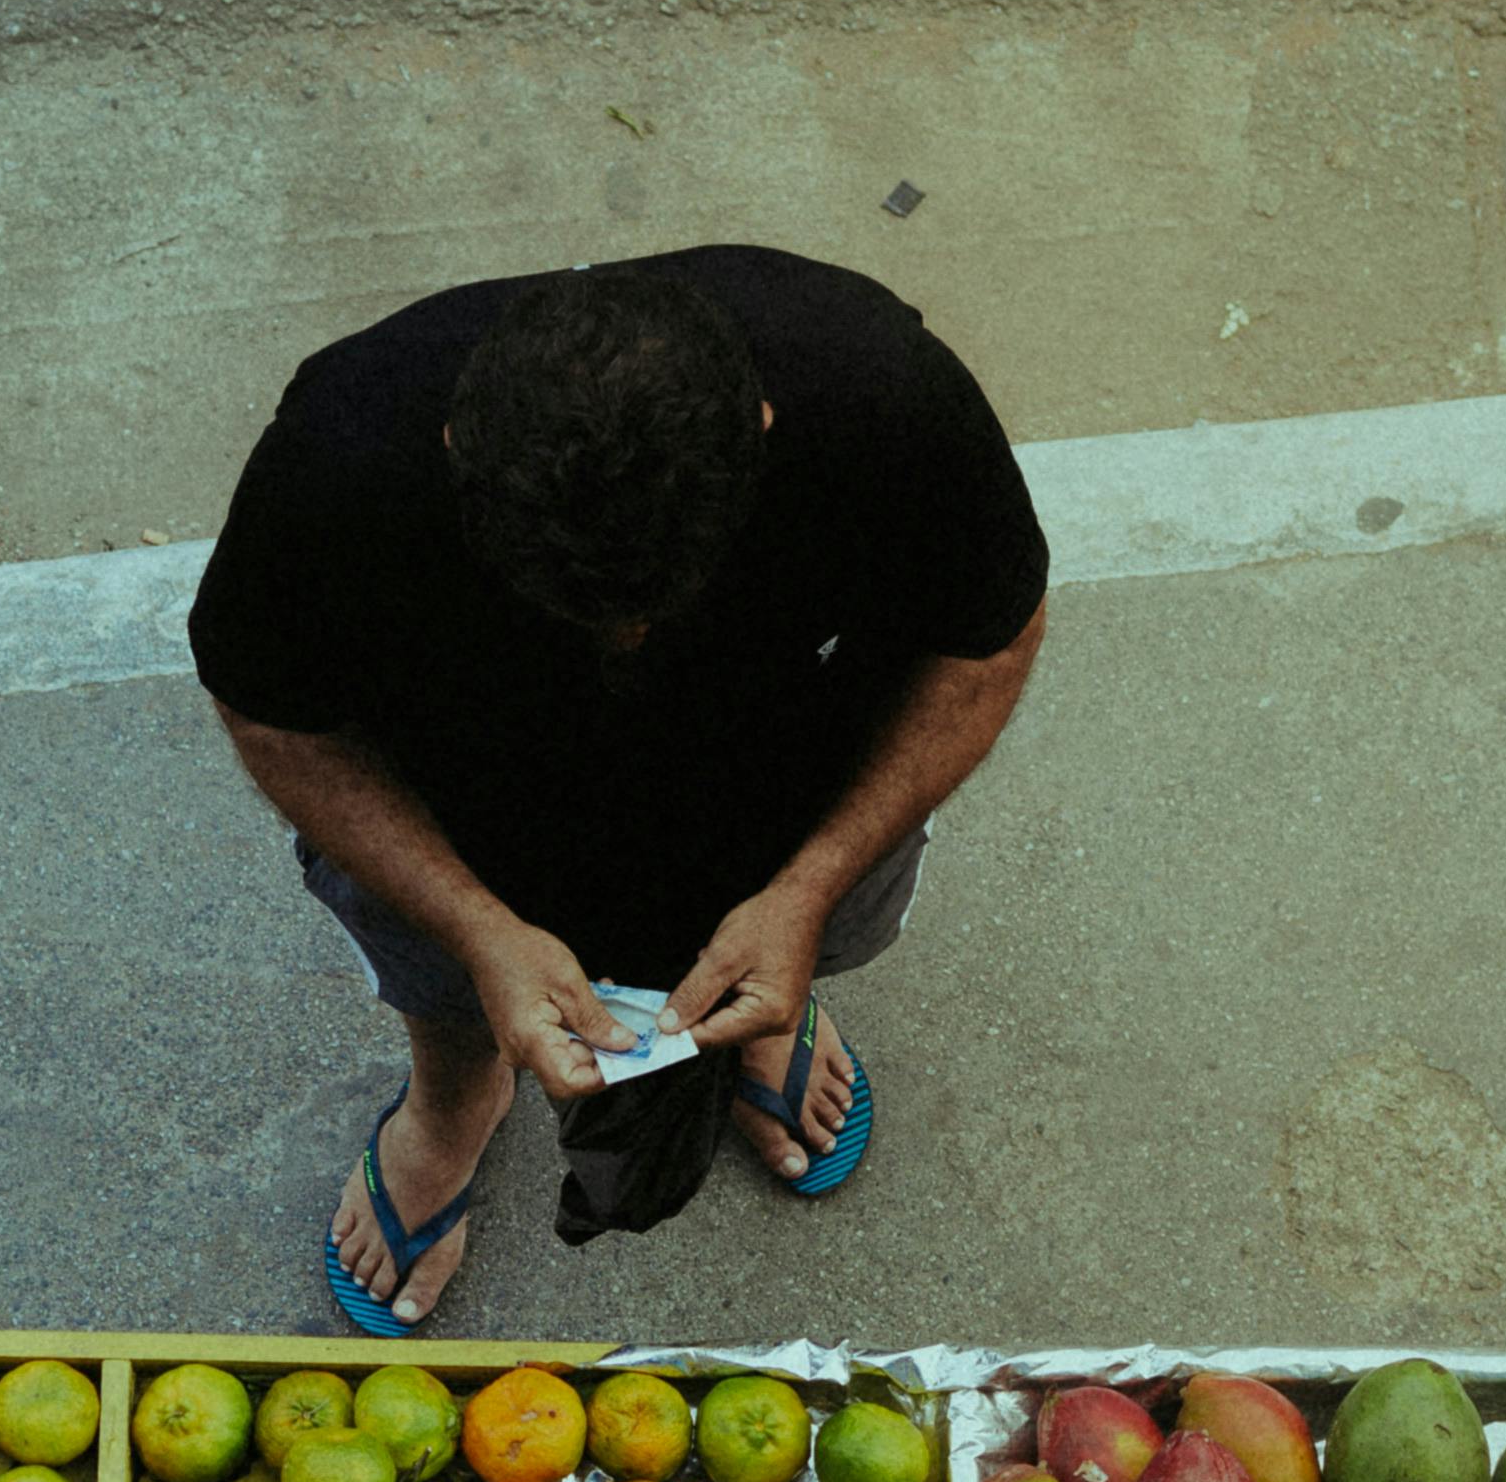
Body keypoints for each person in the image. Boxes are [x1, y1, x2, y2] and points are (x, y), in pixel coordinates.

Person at [188, 247, 1049, 1333]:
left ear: (767, 428)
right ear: (454, 452)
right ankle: (456, 1096)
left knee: (808, 931)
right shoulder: (342, 451)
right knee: (450, 979)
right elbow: (274, 714)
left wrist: (813, 883)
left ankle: (751, 1020)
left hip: (785, 778)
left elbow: (988, 642)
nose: (625, 643)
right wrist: (474, 922)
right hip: (461, 794)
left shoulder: (880, 391)